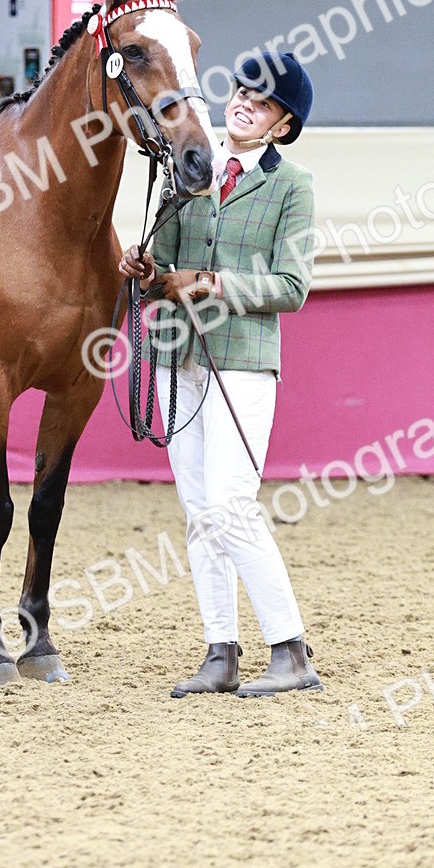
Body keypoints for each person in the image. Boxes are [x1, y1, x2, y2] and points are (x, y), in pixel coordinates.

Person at [119, 51, 323, 698]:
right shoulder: (192, 171)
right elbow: (166, 270)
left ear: (280, 127)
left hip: (243, 361)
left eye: (260, 102)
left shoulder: (291, 186)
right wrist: (148, 270)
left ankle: (290, 649)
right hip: (181, 358)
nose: (243, 103)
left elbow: (291, 287)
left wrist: (206, 283)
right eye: (240, 91)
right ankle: (220, 652)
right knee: (199, 513)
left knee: (232, 504)